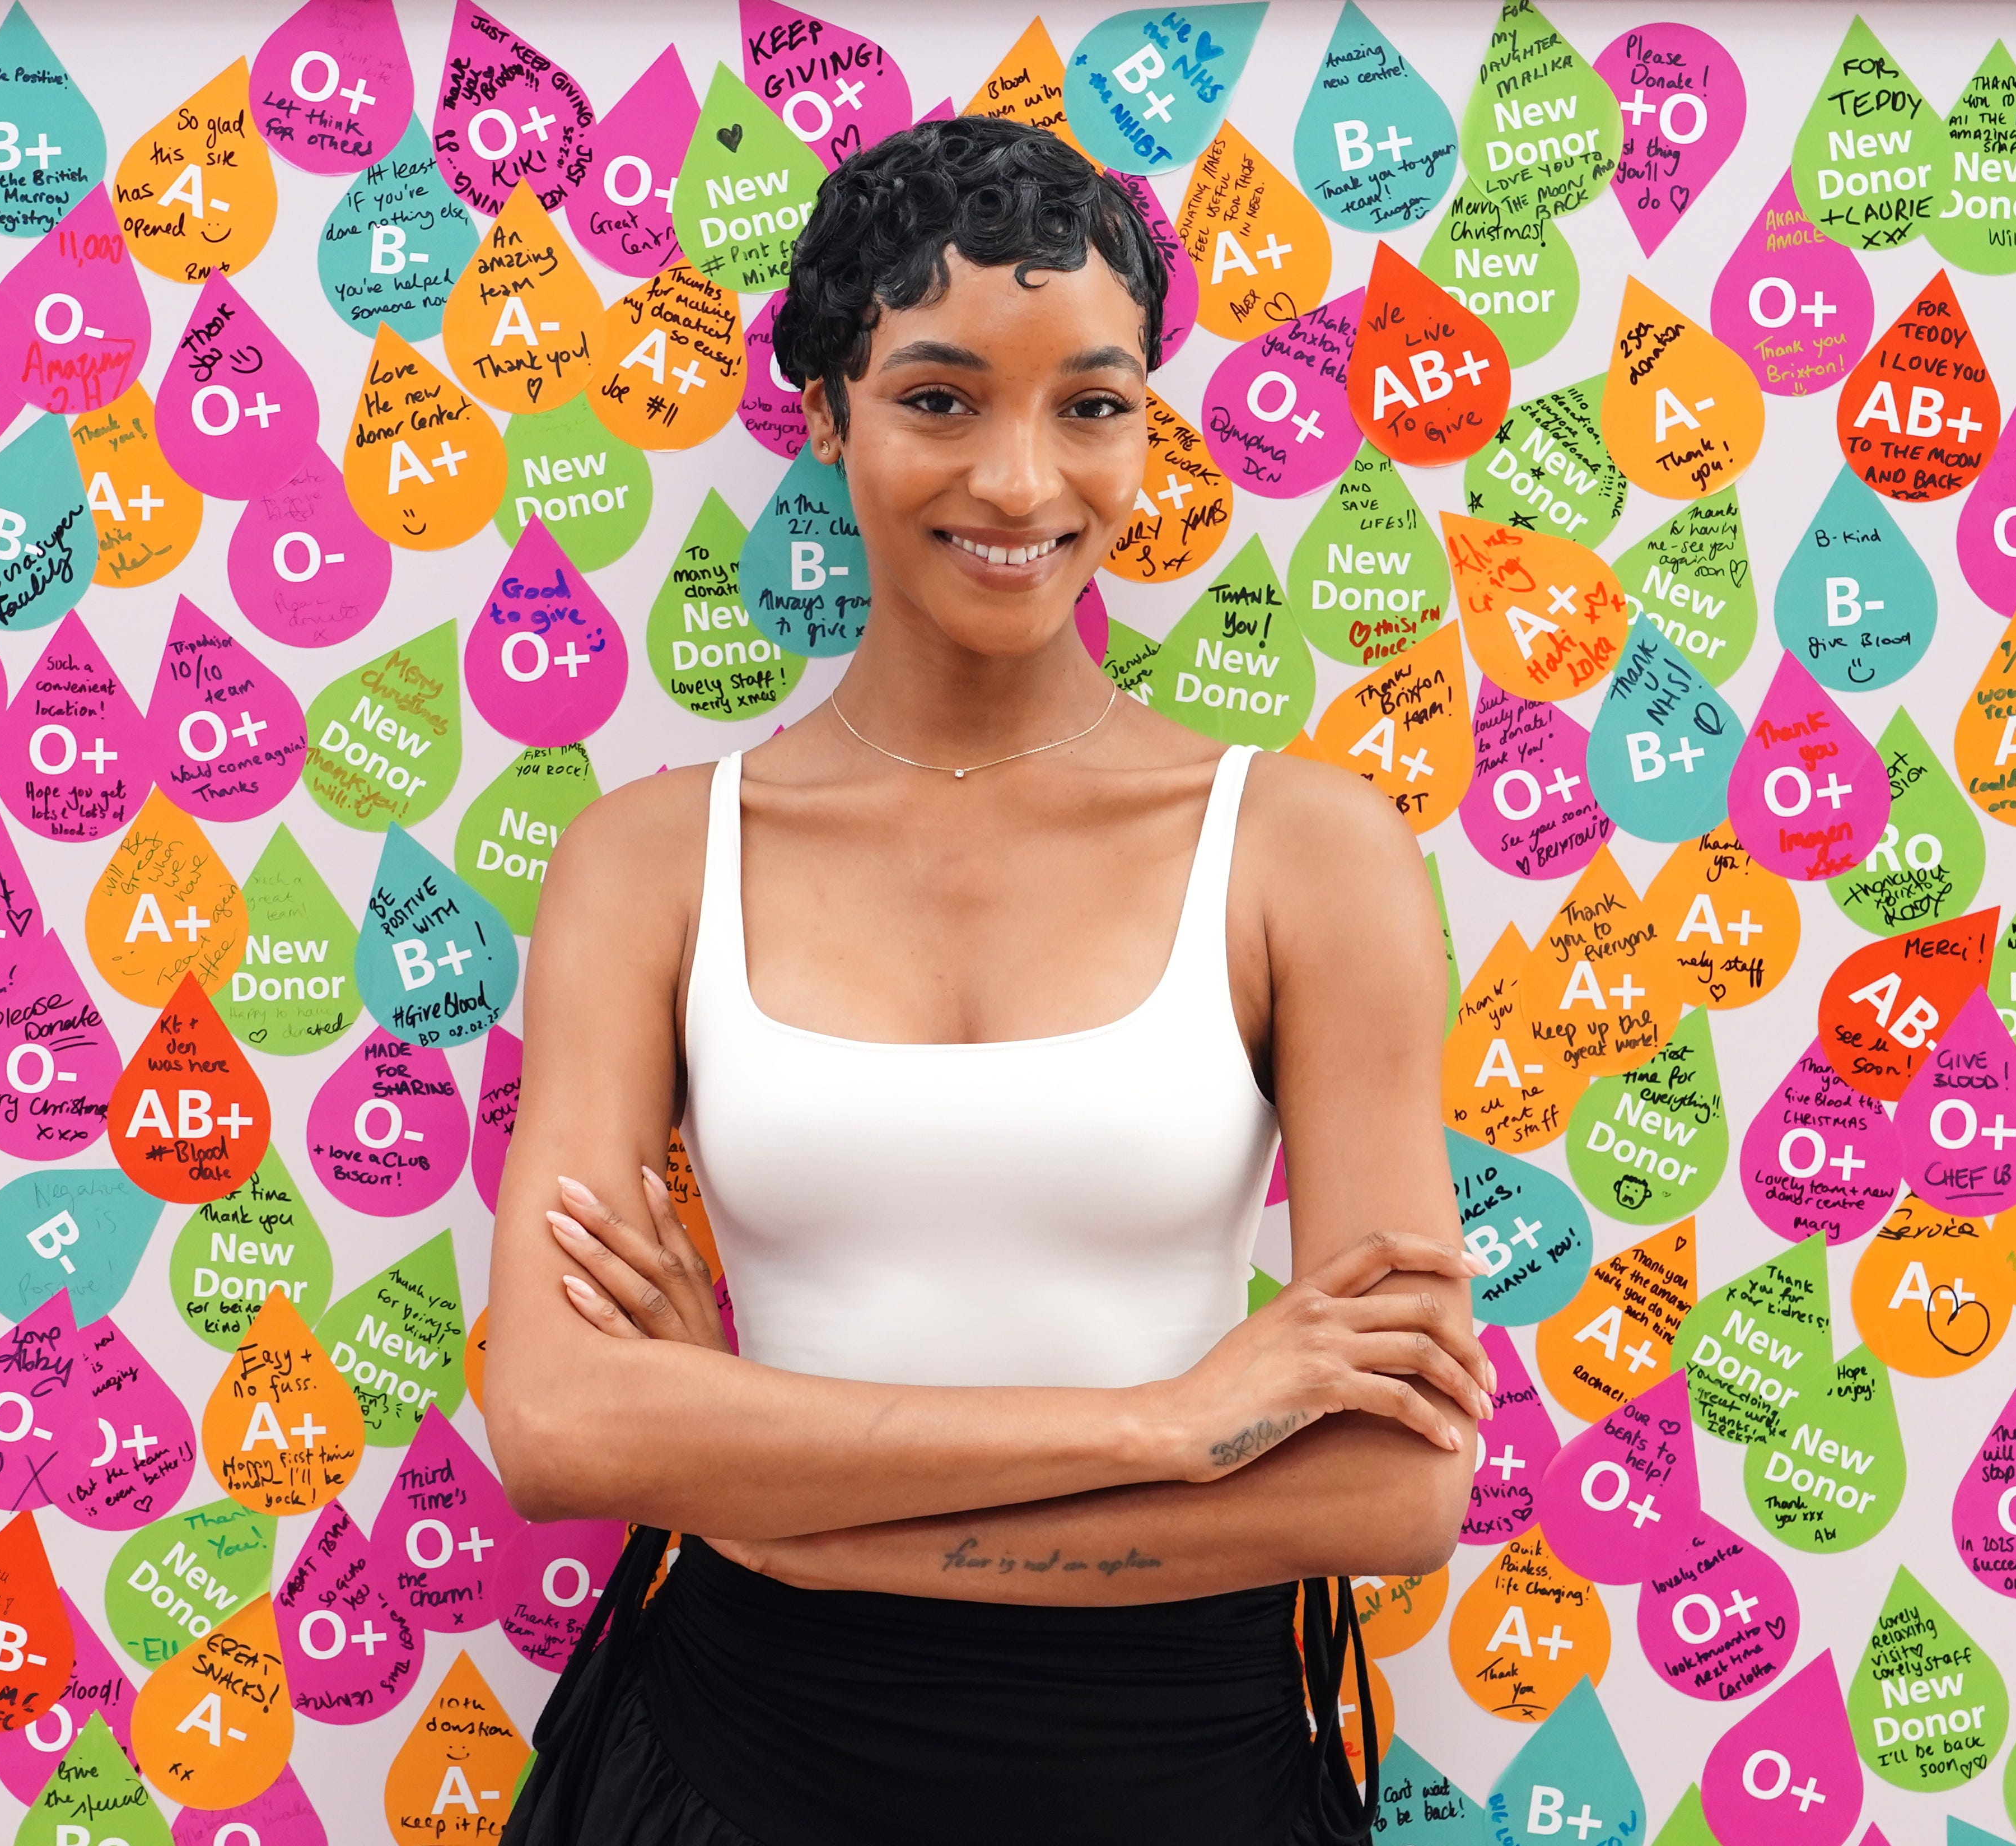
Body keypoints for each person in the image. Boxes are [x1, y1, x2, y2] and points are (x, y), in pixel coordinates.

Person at [482, 114, 1494, 1846]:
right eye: (942, 398)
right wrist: (1172, 1424)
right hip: (732, 1771)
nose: (1023, 484)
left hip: (1184, 1775)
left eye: (1091, 405)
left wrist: (771, 1507)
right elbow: (565, 1422)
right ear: (828, 416)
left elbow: (1397, 1484)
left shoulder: (1304, 851)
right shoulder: (649, 863)